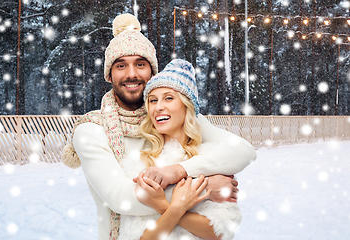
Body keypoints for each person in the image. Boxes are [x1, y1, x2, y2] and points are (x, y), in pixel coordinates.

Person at [61, 13, 256, 240]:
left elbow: (243, 151)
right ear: (109, 74)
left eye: (140, 64)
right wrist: (203, 188)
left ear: (152, 72)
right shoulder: (91, 130)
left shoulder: (170, 117)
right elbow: (120, 197)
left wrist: (178, 172)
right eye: (121, 65)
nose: (132, 74)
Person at [118, 59, 243, 240]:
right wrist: (178, 206)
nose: (159, 106)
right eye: (153, 100)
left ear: (187, 106)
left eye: (169, 98)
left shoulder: (212, 159)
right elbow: (137, 237)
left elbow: (218, 232)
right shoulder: (139, 163)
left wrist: (162, 205)